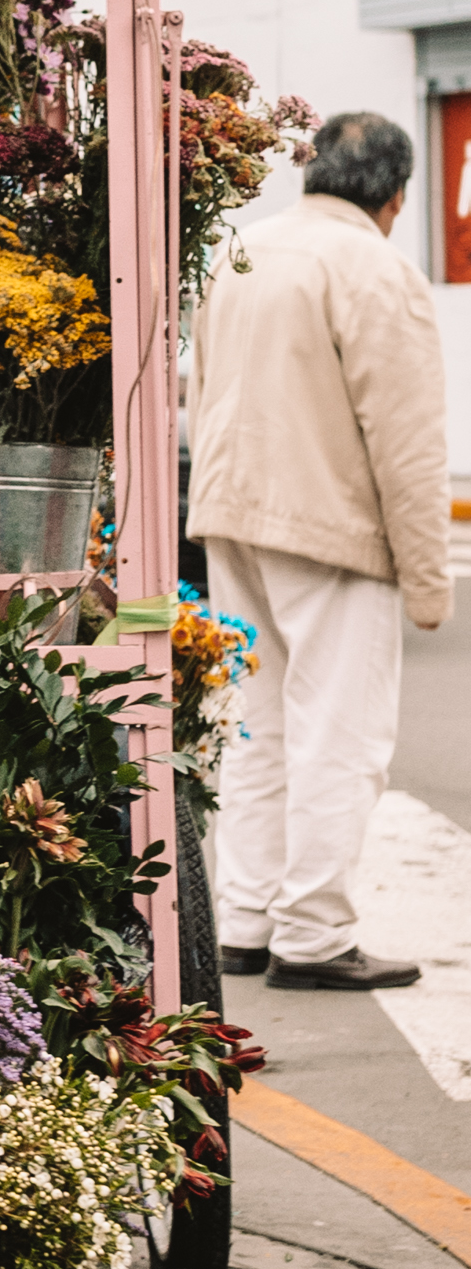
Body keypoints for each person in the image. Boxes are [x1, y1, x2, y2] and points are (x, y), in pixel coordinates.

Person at [187, 111, 449, 992]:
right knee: (342, 735)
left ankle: (249, 919)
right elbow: (405, 442)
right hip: (329, 525)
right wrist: (428, 580)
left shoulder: (245, 251)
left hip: (231, 513)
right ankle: (315, 933)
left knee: (256, 727)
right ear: (396, 196)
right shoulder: (375, 268)